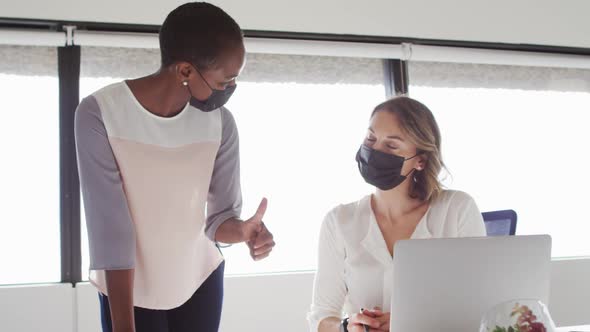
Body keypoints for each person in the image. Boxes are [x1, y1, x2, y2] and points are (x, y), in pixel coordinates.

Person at [75, 3, 275, 332]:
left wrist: (243, 231)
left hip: (200, 281)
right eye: (225, 81)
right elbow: (110, 232)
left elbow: (219, 221)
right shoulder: (100, 113)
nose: (229, 90)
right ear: (185, 71)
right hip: (128, 290)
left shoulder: (220, 124)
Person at [307, 96, 486, 332]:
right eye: (371, 139)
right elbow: (320, 318)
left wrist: (409, 323)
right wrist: (347, 326)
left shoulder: (457, 209)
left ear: (420, 160)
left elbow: (478, 309)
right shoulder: (339, 221)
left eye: (391, 146)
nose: (374, 151)